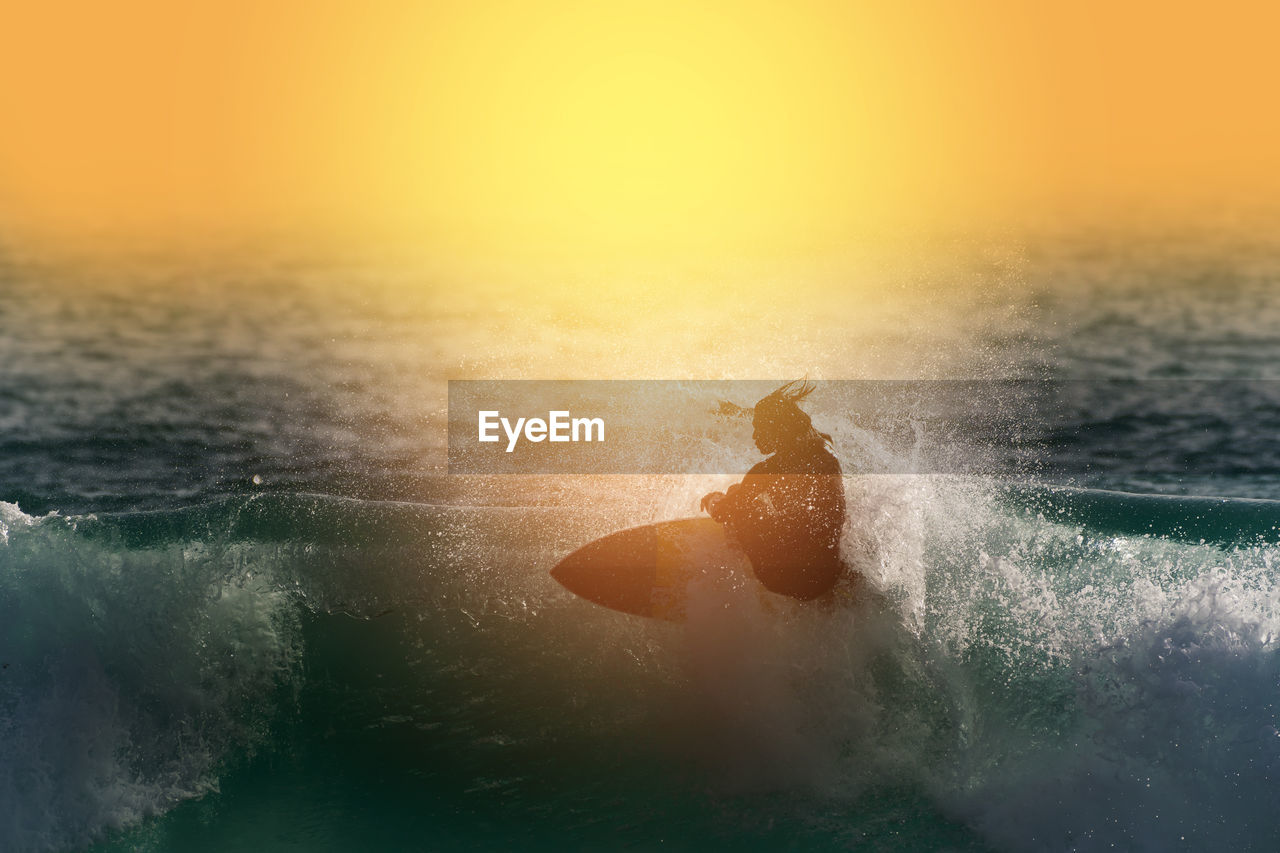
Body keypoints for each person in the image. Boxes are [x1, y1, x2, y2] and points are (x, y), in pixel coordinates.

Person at [700, 381, 848, 600]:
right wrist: (740, 412)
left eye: (759, 429)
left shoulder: (766, 471)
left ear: (778, 429)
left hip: (784, 581)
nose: (754, 436)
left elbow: (723, 512)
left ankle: (736, 553)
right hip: (828, 577)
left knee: (735, 495)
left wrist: (713, 500)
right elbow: (788, 419)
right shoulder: (826, 447)